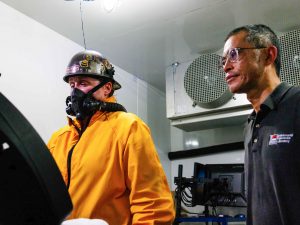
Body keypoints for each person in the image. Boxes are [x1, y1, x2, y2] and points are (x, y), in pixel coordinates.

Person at [47, 50, 175, 225]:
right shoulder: (58, 139)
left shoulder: (128, 128)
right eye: (72, 84)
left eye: (83, 83)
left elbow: (152, 206)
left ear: (107, 88)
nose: (75, 91)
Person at [221, 24, 300, 225]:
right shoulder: (250, 124)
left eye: (234, 54)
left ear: (268, 55)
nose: (226, 66)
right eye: (223, 60)